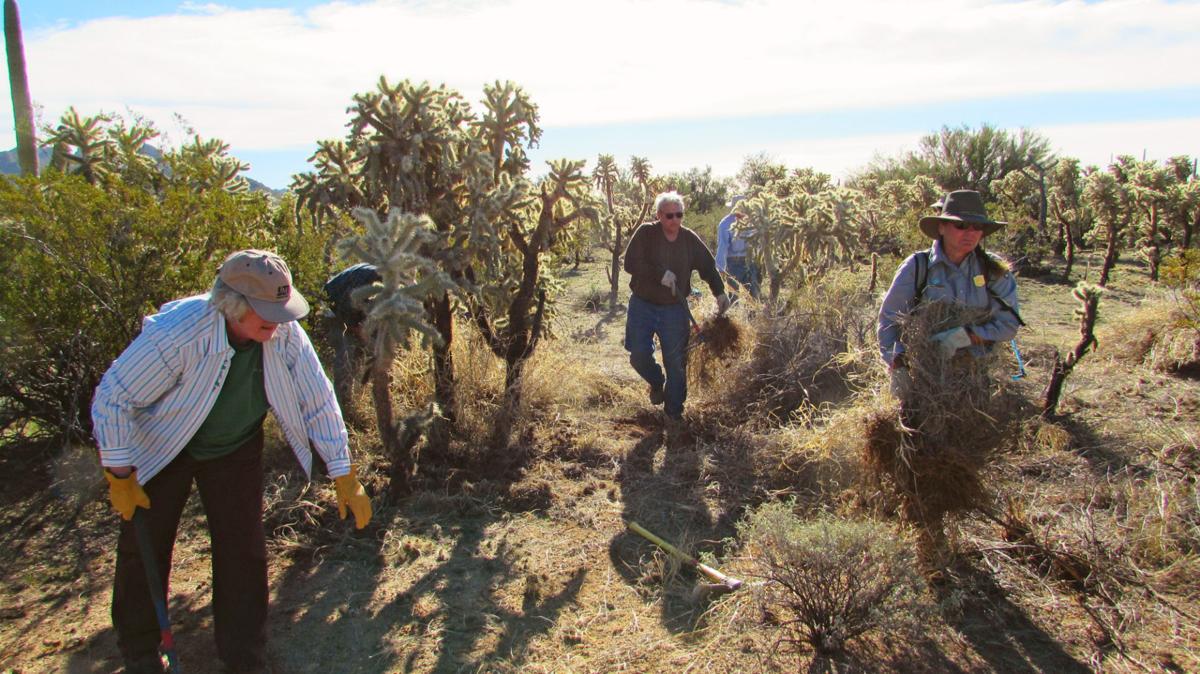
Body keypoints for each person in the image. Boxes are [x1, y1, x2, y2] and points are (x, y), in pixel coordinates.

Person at [92, 249, 372, 674]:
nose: (278, 323)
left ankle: (244, 656)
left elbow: (318, 398)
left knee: (243, 550)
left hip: (235, 446)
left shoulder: (284, 332)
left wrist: (343, 473)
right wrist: (119, 474)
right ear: (232, 306)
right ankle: (140, 651)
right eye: (266, 314)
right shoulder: (179, 333)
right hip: (163, 446)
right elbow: (113, 396)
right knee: (145, 544)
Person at [877, 189, 1022, 397]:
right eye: (961, 225)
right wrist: (898, 366)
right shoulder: (918, 267)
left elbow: (1008, 324)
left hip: (978, 380)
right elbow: (889, 320)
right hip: (923, 379)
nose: (970, 233)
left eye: (977, 227)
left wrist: (967, 337)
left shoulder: (994, 270)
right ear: (942, 227)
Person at [623, 191, 729, 426]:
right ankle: (656, 380)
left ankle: (674, 414)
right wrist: (659, 274)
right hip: (643, 304)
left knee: (677, 365)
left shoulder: (689, 239)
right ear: (659, 215)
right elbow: (630, 262)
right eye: (669, 215)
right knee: (639, 354)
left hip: (674, 309)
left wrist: (720, 292)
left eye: (679, 215)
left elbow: (708, 267)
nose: (675, 220)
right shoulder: (646, 234)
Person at [323, 262, 382, 414]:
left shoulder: (374, 274)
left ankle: (350, 399)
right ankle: (340, 405)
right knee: (345, 353)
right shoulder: (368, 277)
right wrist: (357, 329)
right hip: (330, 308)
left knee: (358, 349)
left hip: (344, 308)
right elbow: (346, 305)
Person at [715, 195, 759, 299]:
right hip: (738, 262)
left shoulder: (725, 223)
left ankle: (749, 314)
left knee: (742, 295)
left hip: (743, 261)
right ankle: (746, 314)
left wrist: (720, 268)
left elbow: (722, 246)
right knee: (748, 294)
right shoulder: (753, 221)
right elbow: (723, 246)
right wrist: (720, 267)